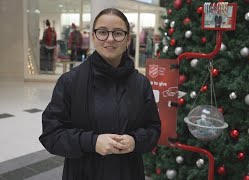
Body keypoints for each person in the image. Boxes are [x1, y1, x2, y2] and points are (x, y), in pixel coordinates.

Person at [39, 8, 161, 180]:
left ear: (127, 39)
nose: (110, 39)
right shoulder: (70, 82)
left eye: (118, 33)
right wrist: (92, 142)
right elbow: (51, 135)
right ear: (93, 37)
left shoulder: (140, 83)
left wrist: (135, 140)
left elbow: (153, 129)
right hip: (82, 173)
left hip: (128, 173)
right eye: (103, 32)